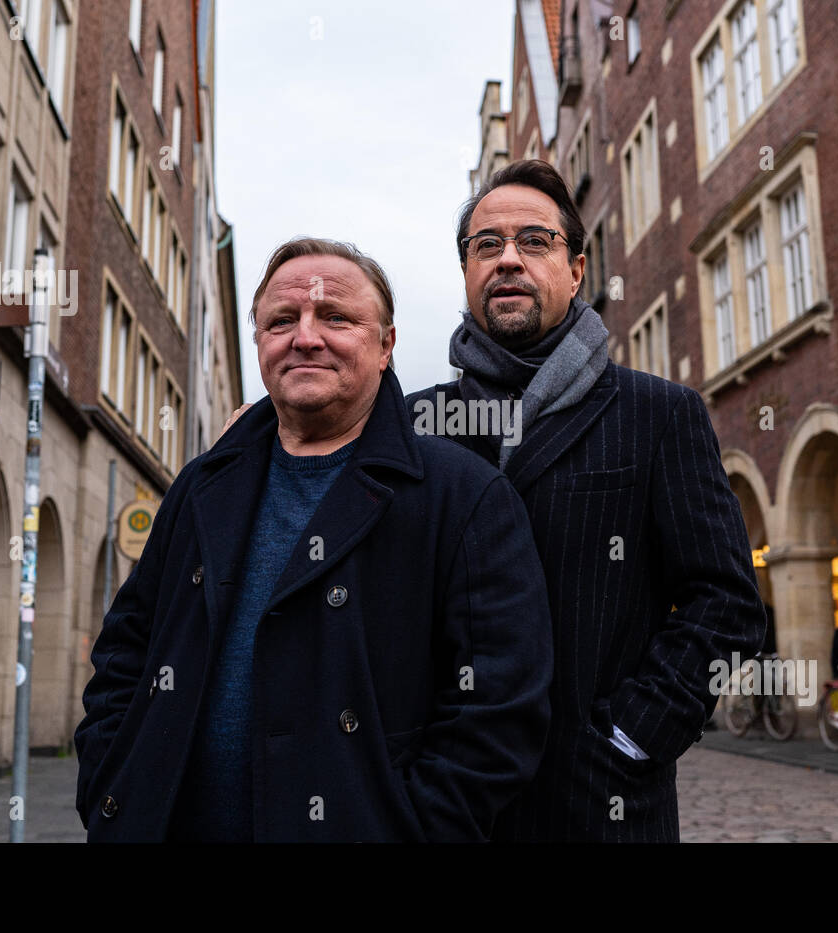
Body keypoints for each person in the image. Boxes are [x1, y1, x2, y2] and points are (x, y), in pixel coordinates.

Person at [221, 162, 767, 842]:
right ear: (467, 273)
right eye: (486, 245)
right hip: (431, 813)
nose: (507, 259)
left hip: (596, 804)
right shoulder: (405, 427)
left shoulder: (656, 415)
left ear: (576, 269)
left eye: (533, 241)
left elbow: (726, 602)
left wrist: (633, 734)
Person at [75, 237, 553, 842]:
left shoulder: (463, 496)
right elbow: (125, 653)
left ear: (385, 346)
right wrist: (112, 784)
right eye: (282, 320)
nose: (305, 337)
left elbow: (499, 712)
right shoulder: (202, 486)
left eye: (335, 317)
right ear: (259, 344)